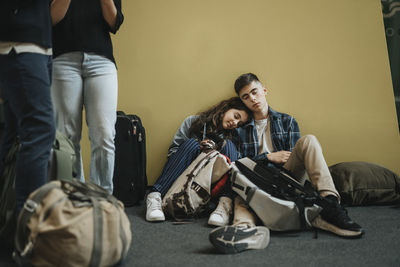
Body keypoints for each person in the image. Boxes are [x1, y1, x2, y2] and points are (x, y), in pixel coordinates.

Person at [209, 73, 364, 254]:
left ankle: (330, 204)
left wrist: (274, 162)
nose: (252, 98)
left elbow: (292, 159)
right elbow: (240, 165)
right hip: (256, 182)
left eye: (254, 92)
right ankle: (245, 231)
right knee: (240, 190)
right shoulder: (240, 130)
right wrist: (268, 157)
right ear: (243, 102)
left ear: (264, 91)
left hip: (285, 177)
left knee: (309, 140)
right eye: (246, 97)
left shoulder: (287, 121)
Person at [50, 0, 124, 193]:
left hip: (101, 62)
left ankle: (102, 198)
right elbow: (50, 19)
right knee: (66, 136)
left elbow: (114, 22)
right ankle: (74, 197)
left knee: (104, 133)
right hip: (63, 60)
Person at [146, 97, 251, 224]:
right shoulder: (192, 122)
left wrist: (213, 154)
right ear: (225, 109)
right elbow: (172, 153)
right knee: (191, 144)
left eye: (239, 123)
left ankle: (224, 205)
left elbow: (235, 167)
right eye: (235, 116)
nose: (235, 123)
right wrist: (198, 152)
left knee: (229, 146)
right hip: (183, 178)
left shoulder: (233, 136)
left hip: (210, 185)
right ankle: (154, 196)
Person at [0, 1, 55, 214]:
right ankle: (29, 229)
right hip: (21, 44)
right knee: (40, 130)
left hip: (37, 45)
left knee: (12, 133)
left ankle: (13, 224)